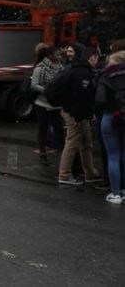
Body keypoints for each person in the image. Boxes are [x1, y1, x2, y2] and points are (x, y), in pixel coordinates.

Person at [57, 47, 102, 185]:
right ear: (92, 57)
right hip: (75, 114)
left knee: (86, 143)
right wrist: (81, 115)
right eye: (97, 58)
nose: (97, 62)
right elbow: (81, 97)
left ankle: (89, 173)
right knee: (73, 143)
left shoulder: (76, 69)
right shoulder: (83, 72)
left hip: (75, 112)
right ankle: (64, 175)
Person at [95, 51, 125, 204]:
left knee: (113, 156)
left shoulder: (105, 76)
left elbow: (100, 100)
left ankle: (115, 193)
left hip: (110, 117)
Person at [30, 43, 64, 162]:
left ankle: (62, 152)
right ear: (50, 56)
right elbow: (34, 85)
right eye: (57, 54)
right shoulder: (40, 68)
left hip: (56, 104)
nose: (60, 57)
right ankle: (43, 152)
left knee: (59, 128)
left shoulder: (61, 68)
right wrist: (47, 91)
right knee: (43, 127)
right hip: (42, 103)